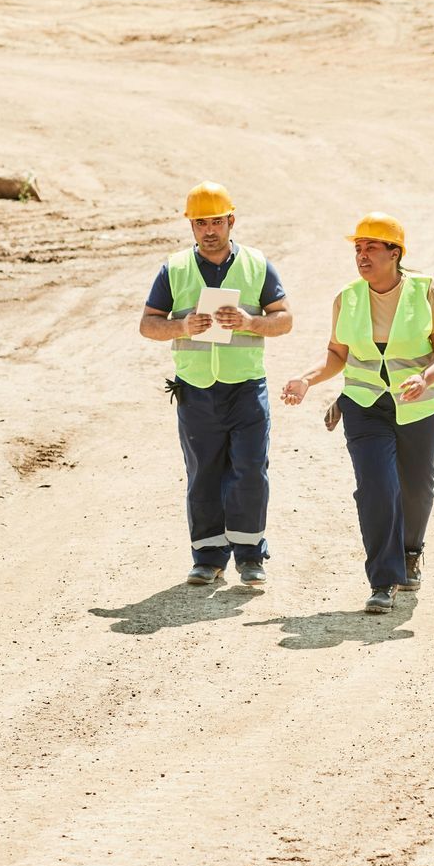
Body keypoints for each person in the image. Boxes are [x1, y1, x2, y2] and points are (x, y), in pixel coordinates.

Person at [282, 213, 434, 614]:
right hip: (363, 406)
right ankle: (383, 579)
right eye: (358, 249)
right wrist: (308, 379)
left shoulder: (427, 290)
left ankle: (411, 551)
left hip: (417, 405)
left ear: (395, 253)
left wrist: (426, 379)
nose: (362, 256)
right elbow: (337, 355)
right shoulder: (348, 297)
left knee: (416, 487)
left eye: (371, 248)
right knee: (376, 487)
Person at [140, 182, 292, 588]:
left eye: (216, 222)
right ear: (191, 225)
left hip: (245, 386)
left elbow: (285, 320)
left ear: (231, 221)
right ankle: (207, 558)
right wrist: (180, 326)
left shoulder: (258, 265)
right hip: (196, 389)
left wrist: (250, 322)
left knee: (250, 470)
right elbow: (148, 325)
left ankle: (249, 555)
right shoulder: (174, 268)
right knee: (203, 473)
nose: (209, 230)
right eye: (200, 222)